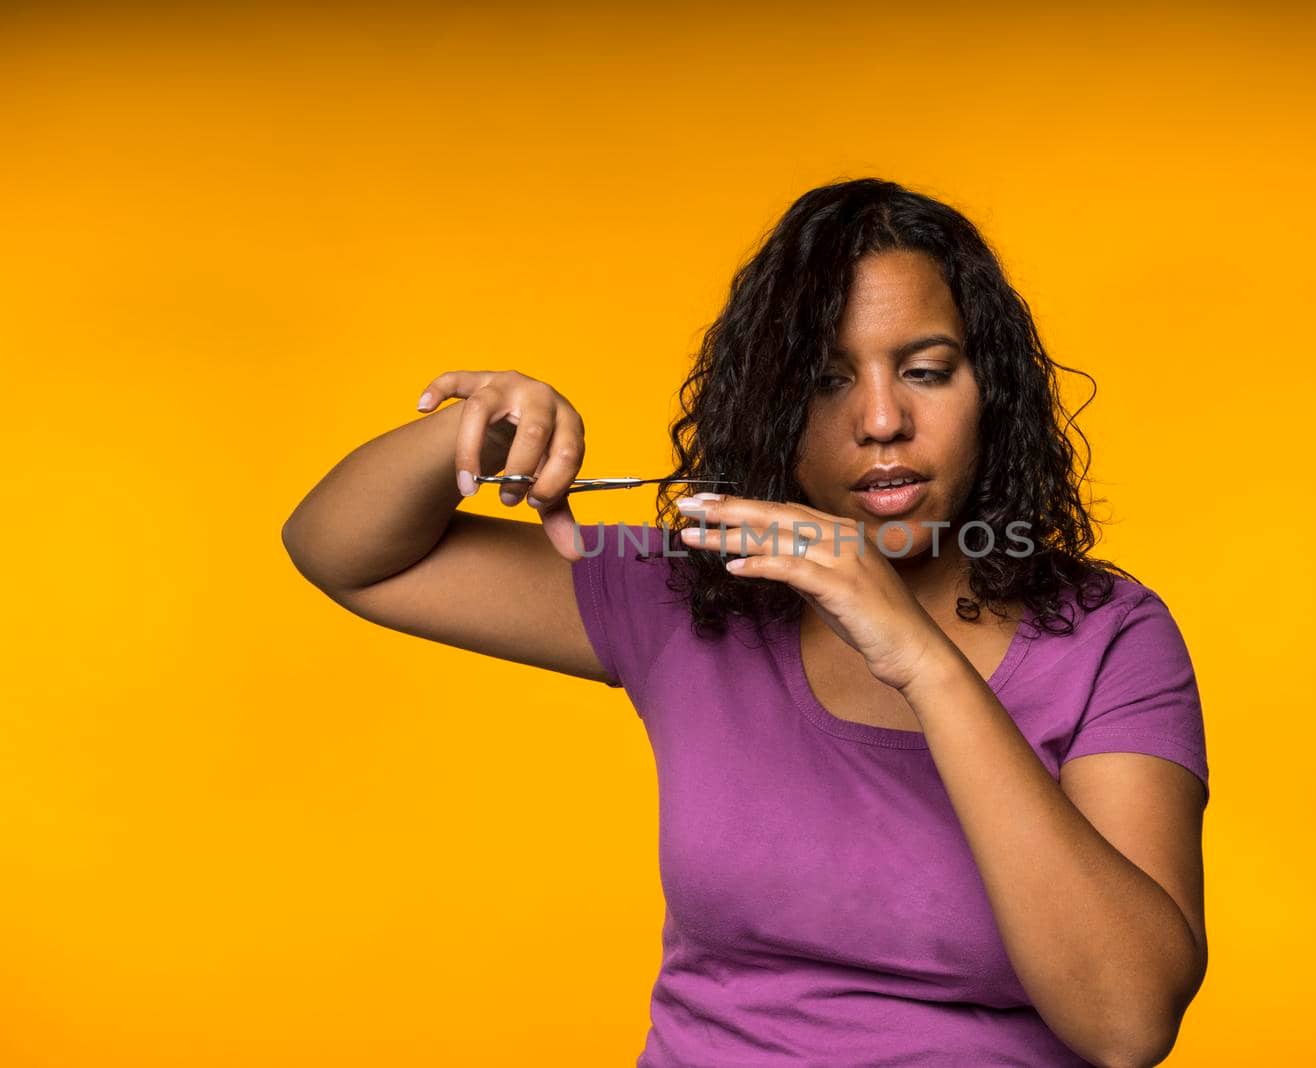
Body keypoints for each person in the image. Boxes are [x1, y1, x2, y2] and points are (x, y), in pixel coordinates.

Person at [282, 177, 1210, 1068]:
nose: (881, 419)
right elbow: (345, 552)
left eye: (926, 371)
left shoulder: (1107, 636)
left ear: (991, 392)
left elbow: (1125, 1026)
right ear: (772, 414)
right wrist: (467, 438)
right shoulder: (691, 592)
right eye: (824, 381)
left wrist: (924, 664)